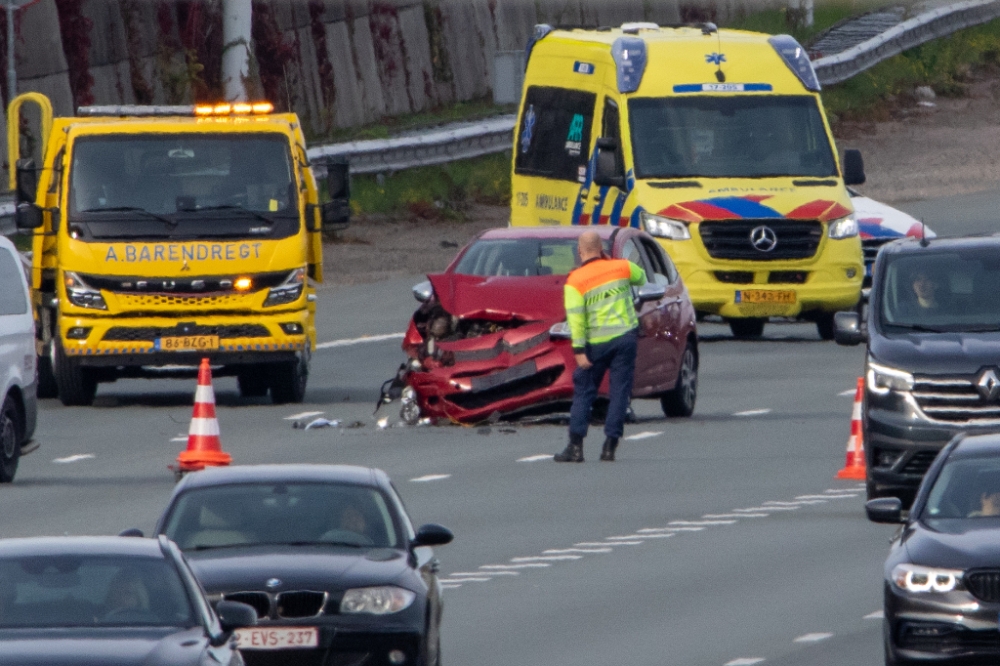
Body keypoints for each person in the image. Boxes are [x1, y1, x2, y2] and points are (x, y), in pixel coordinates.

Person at [554, 231, 646, 463]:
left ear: (579, 251)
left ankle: (575, 447)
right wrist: (610, 262)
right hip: (625, 338)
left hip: (595, 345)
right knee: (619, 392)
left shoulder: (575, 281)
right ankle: (610, 446)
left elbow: (576, 319)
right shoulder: (621, 267)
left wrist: (578, 350)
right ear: (601, 249)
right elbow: (642, 277)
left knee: (584, 391)